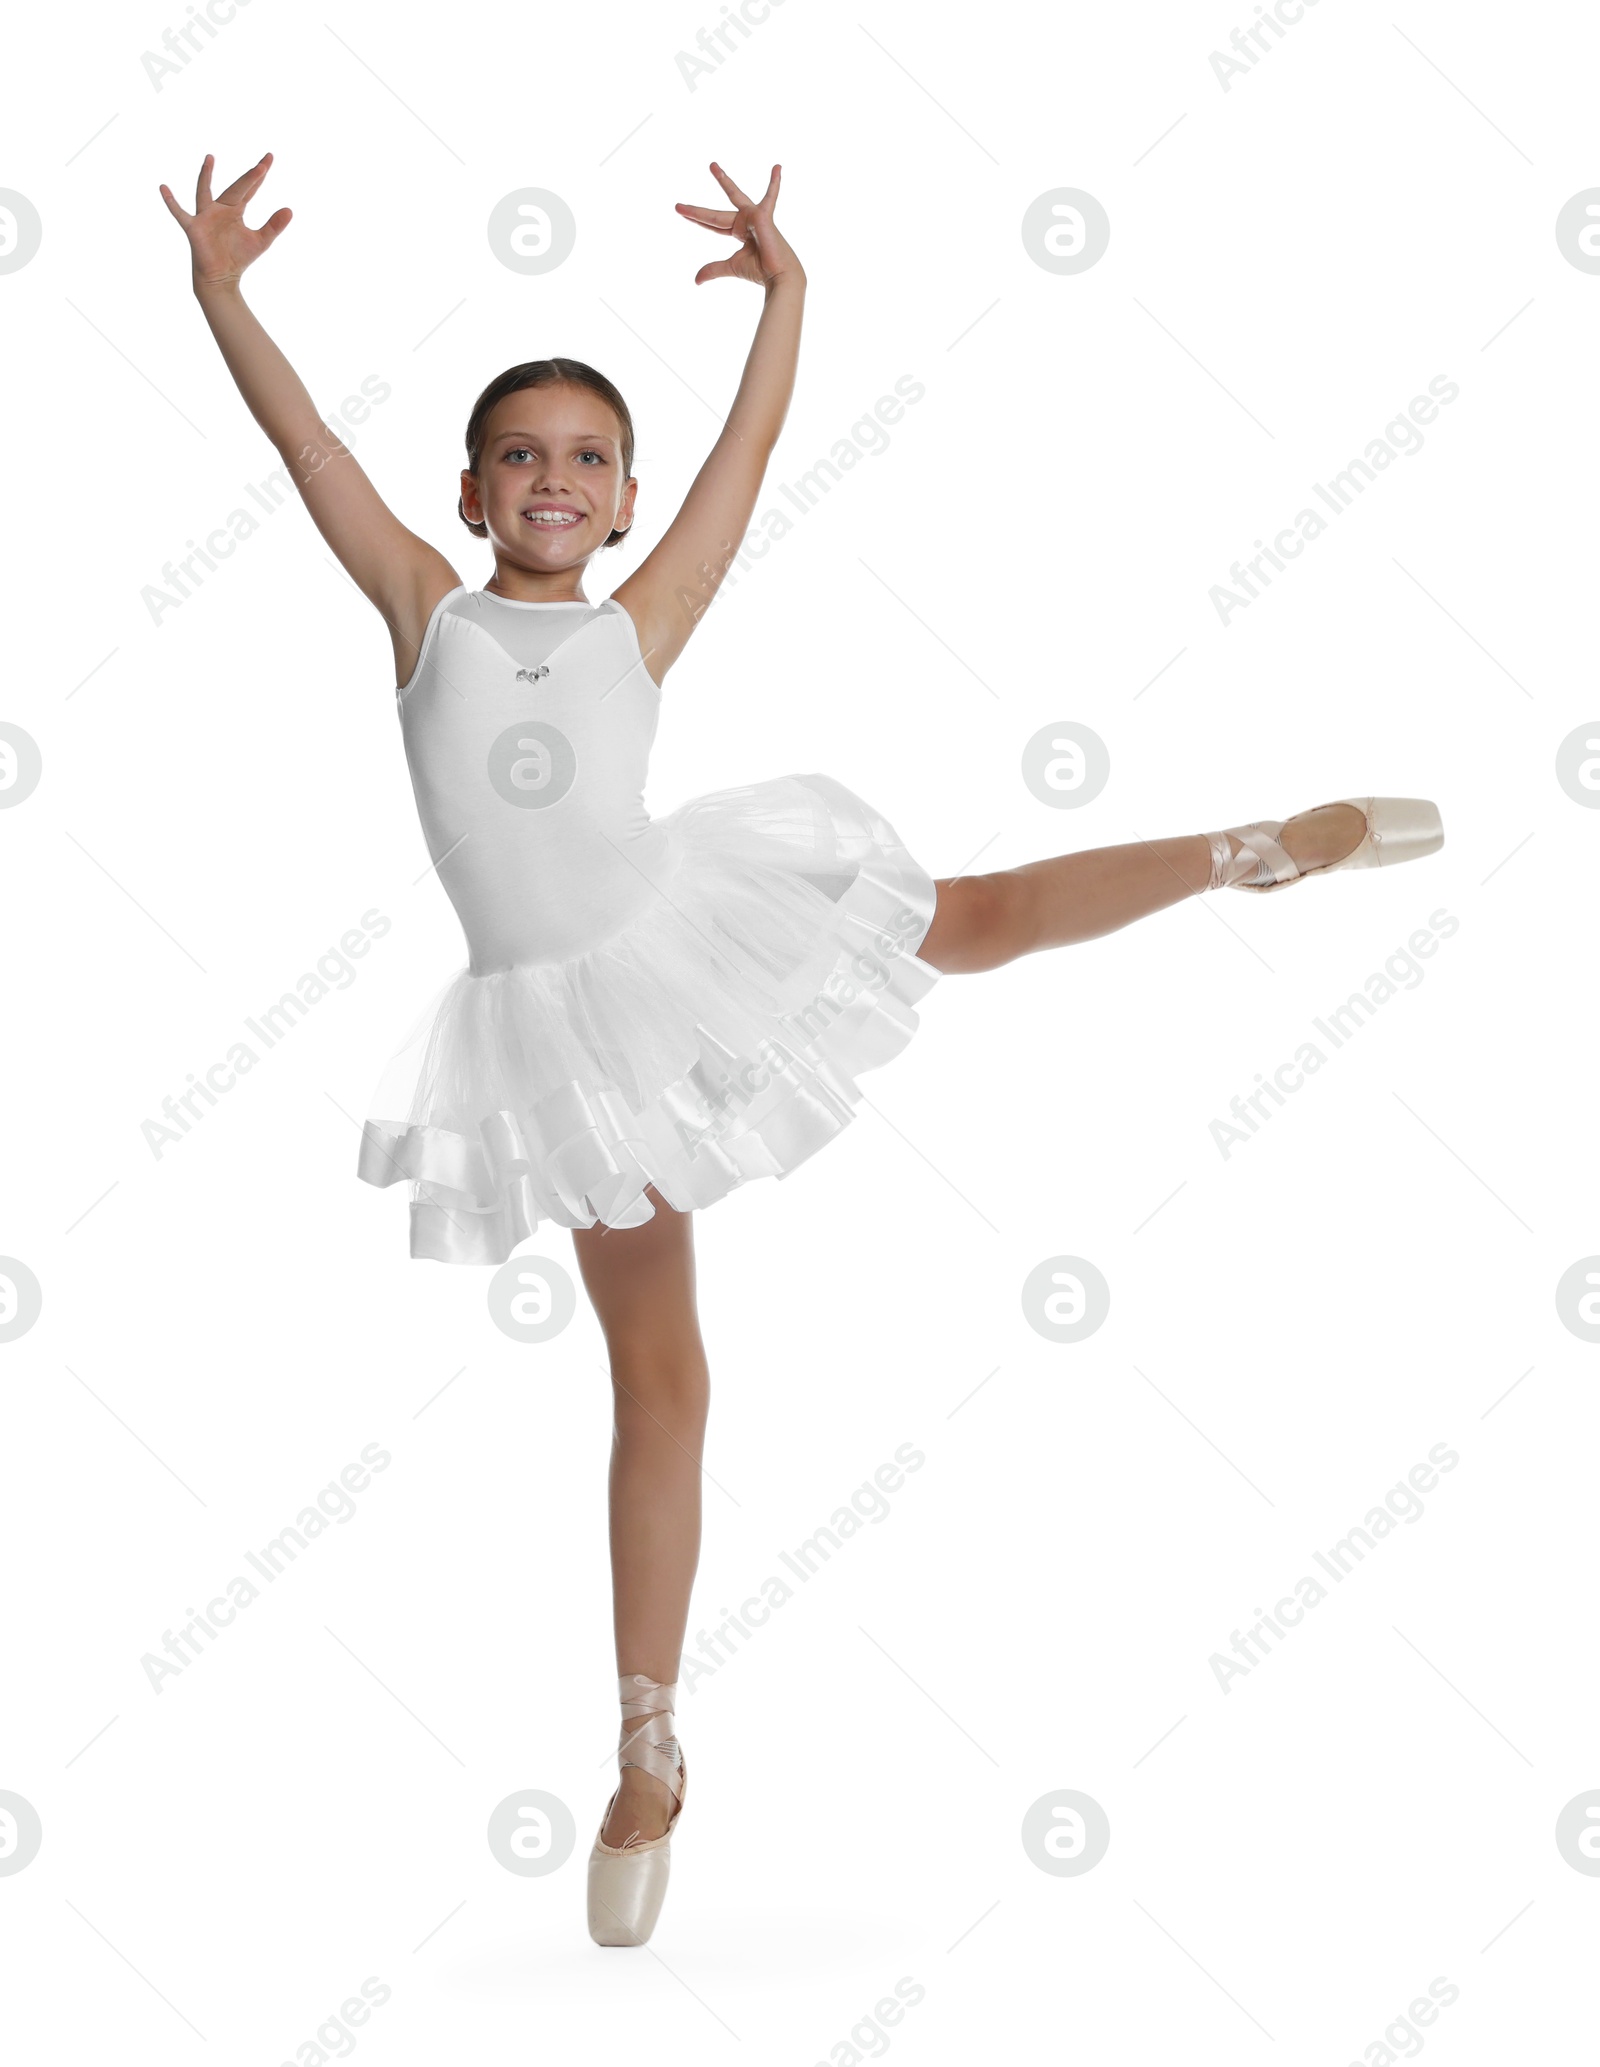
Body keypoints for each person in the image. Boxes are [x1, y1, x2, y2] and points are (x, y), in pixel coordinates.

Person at [159, 150, 1442, 1946]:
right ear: (466, 492)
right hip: (559, 1032)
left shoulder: (639, 616)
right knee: (663, 1378)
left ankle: (1253, 848)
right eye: (519, 454)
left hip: (687, 931)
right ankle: (651, 1745)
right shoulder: (421, 610)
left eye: (588, 460)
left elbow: (747, 472)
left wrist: (790, 303)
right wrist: (225, 297)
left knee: (975, 917)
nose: (554, 478)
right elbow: (310, 457)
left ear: (618, 507)